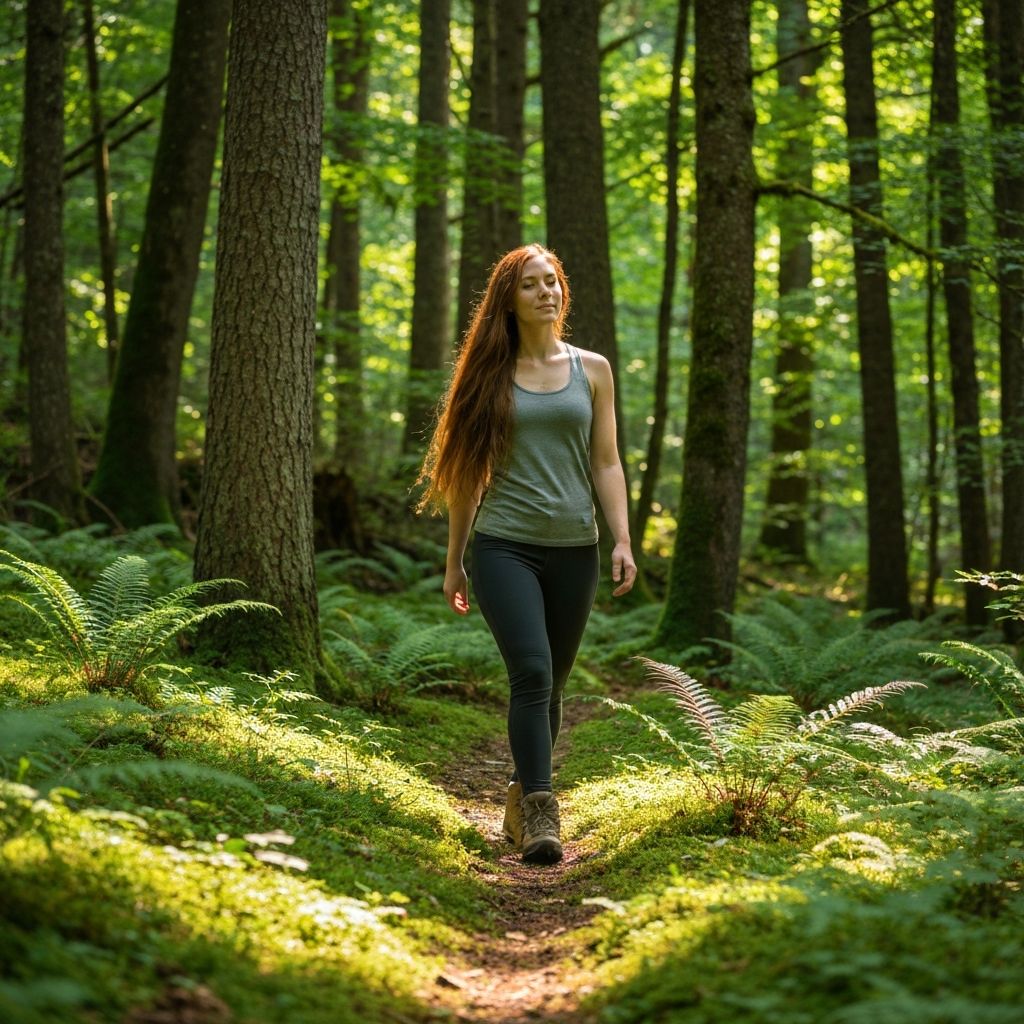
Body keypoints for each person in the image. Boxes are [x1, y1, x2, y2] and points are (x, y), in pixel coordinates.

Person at [416, 243, 636, 865]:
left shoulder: (594, 370)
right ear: (508, 300)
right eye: (531, 284)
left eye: (552, 282)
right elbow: (467, 476)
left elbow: (606, 461)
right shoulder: (488, 374)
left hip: (576, 548)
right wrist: (455, 561)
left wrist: (622, 538)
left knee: (553, 683)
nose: (546, 293)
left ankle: (519, 793)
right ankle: (542, 808)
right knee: (533, 673)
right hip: (504, 546)